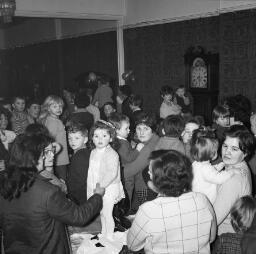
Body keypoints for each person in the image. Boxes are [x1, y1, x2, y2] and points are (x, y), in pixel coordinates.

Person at [0, 133, 104, 254]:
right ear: (32, 156)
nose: (49, 155)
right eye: (45, 153)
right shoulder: (47, 191)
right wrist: (97, 196)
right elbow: (79, 216)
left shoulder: (5, 182)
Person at [127, 150, 216, 254]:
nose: (148, 173)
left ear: (157, 180)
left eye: (150, 171)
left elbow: (132, 245)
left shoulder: (148, 210)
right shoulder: (202, 200)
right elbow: (211, 237)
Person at [213, 125, 255, 235]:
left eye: (234, 149)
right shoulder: (242, 165)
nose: (227, 152)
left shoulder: (232, 179)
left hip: (224, 237)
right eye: (225, 146)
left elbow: (213, 220)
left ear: (245, 153)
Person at [87, 120, 124, 240]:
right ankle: (103, 232)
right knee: (101, 212)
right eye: (96, 136)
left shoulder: (112, 154)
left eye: (104, 136)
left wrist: (100, 186)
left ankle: (109, 236)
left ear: (111, 138)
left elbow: (111, 173)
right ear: (92, 138)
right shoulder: (93, 152)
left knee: (107, 213)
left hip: (108, 188)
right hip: (97, 187)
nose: (100, 139)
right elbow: (91, 171)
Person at [123, 113, 159, 211]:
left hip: (145, 188)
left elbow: (130, 170)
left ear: (153, 130)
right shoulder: (151, 141)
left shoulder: (148, 148)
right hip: (148, 186)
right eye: (139, 128)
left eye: (146, 129)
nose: (141, 132)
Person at [191, 128, 235, 204]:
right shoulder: (206, 168)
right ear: (213, 154)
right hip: (207, 200)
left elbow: (211, 172)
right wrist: (232, 172)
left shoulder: (196, 164)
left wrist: (221, 165)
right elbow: (219, 178)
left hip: (197, 197)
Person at [39, 95, 69, 181]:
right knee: (61, 183)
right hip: (59, 159)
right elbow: (49, 142)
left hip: (58, 158)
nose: (58, 108)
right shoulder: (54, 122)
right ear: (48, 108)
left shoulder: (51, 120)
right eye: (55, 106)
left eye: (60, 106)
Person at [66, 120, 91, 205]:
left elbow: (81, 181)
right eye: (70, 138)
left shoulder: (80, 156)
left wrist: (71, 195)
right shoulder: (84, 152)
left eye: (77, 138)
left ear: (85, 139)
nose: (73, 141)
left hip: (80, 198)